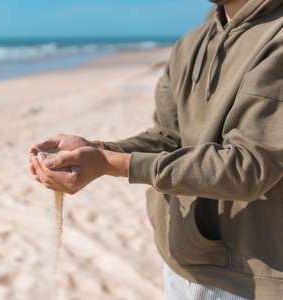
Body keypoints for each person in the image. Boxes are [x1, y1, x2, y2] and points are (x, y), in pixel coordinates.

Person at [29, 0, 283, 299]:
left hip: (249, 280)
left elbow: (247, 167)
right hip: (180, 261)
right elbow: (167, 136)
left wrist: (112, 164)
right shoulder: (191, 43)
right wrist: (98, 150)